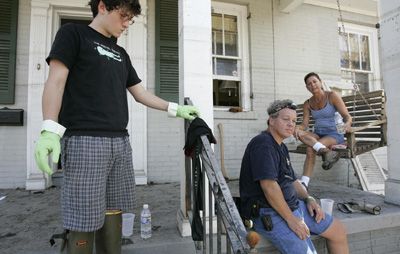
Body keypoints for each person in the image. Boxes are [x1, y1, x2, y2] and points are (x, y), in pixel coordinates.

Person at [33, 0, 199, 253]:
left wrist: (174, 108)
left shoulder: (121, 53)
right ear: (102, 7)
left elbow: (140, 93)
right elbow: (56, 81)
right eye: (123, 16)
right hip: (85, 140)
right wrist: (49, 129)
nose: (126, 24)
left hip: (120, 142)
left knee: (114, 208)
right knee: (83, 214)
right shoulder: (74, 34)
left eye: (130, 20)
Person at [239, 99, 349, 254]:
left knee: (338, 231)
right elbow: (269, 187)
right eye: (285, 119)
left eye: (294, 121)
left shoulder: (281, 146)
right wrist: (292, 220)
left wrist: (309, 199)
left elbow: (293, 180)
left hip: (294, 205)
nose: (291, 124)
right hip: (269, 212)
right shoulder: (263, 144)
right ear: (271, 120)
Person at [295, 72, 352, 188]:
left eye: (314, 82)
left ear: (320, 82)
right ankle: (325, 151)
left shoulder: (332, 96)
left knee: (310, 149)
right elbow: (304, 125)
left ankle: (304, 183)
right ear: (307, 87)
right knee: (298, 133)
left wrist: (347, 124)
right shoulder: (307, 103)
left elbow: (347, 116)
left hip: (334, 133)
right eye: (309, 84)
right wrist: (297, 128)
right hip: (318, 134)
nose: (313, 85)